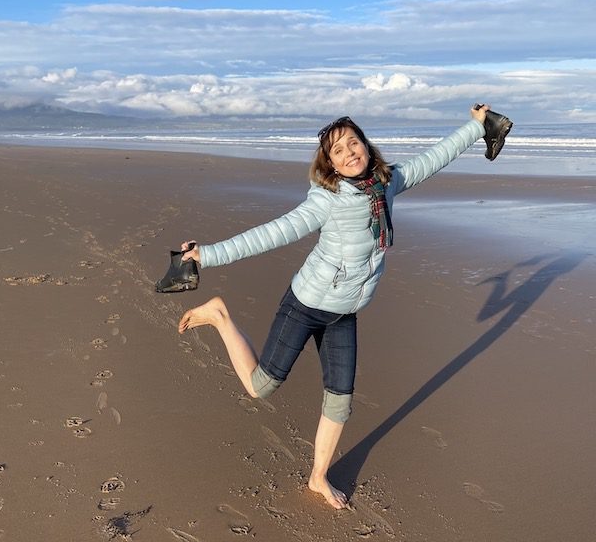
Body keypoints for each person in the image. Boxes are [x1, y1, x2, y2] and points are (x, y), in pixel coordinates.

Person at [178, 105, 489, 509]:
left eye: (353, 143)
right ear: (331, 165)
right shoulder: (327, 200)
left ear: (366, 146)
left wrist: (476, 127)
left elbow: (433, 158)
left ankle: (318, 477)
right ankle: (220, 316)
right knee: (260, 388)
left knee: (340, 401)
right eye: (338, 151)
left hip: (343, 312)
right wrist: (208, 255)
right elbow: (271, 233)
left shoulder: (386, 183)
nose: (349, 153)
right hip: (306, 303)